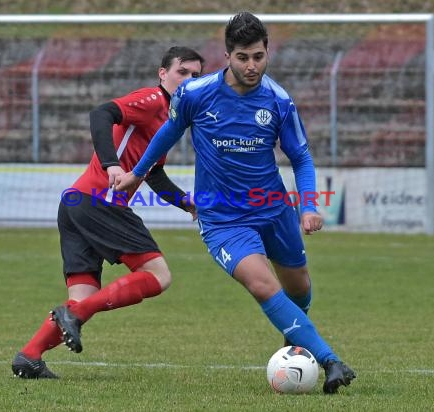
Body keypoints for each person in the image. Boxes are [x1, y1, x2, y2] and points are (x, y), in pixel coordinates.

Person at [115, 12, 356, 394]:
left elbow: (301, 157)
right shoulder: (195, 94)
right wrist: (137, 174)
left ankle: (294, 340)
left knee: (298, 287)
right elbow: (166, 134)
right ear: (227, 55)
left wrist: (308, 205)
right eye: (243, 57)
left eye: (258, 56)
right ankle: (330, 360)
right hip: (222, 218)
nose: (251, 65)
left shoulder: (279, 101)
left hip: (274, 209)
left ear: (267, 53)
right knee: (261, 285)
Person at [11, 46, 204, 379]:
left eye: (196, 76)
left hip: (75, 203)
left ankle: (29, 356)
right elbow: (101, 113)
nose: (188, 80)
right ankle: (68, 319)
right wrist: (112, 164)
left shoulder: (171, 118)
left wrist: (186, 203)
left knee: (82, 299)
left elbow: (153, 174)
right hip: (101, 201)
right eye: (182, 72)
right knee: (159, 276)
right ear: (163, 73)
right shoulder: (153, 101)